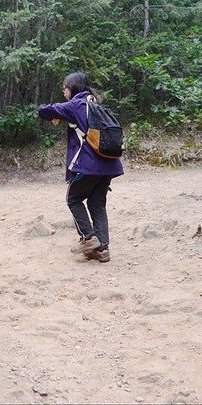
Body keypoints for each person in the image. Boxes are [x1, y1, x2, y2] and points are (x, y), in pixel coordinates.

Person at [37, 71, 123, 262]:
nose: (64, 91)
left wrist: (53, 114)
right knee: (96, 203)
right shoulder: (94, 104)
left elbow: (44, 110)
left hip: (89, 165)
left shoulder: (76, 104)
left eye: (65, 88)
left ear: (72, 88)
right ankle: (102, 249)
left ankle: (88, 238)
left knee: (73, 198)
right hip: (108, 164)